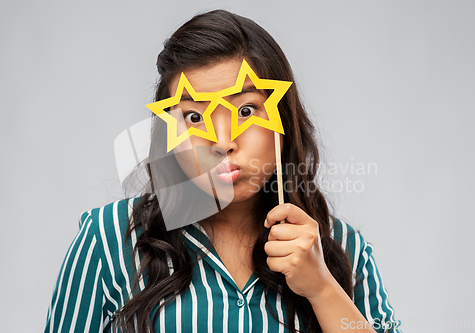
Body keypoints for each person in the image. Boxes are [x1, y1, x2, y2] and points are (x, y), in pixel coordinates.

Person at [44, 9, 401, 333]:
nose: (223, 142)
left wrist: (322, 288)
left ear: (284, 121)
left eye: (245, 111)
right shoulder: (108, 239)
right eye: (195, 117)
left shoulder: (344, 248)